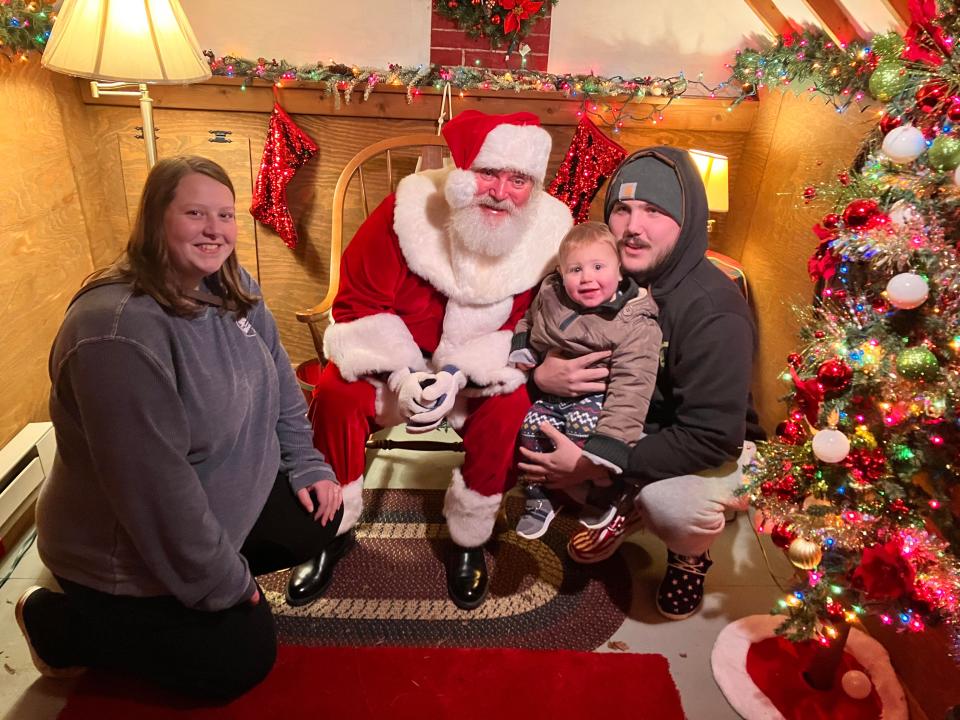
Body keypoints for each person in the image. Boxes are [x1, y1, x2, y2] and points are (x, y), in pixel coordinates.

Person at [15, 156, 344, 701]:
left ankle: (187, 589)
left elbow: (281, 379)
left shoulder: (233, 284)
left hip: (216, 501)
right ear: (154, 220)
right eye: (196, 213)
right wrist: (228, 585)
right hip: (124, 547)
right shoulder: (117, 335)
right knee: (238, 659)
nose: (215, 229)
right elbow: (157, 494)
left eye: (225, 214)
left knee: (321, 518)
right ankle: (58, 622)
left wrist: (308, 463)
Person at [304, 110, 573, 610]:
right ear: (464, 172)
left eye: (518, 180)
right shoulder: (406, 209)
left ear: (532, 188)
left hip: (472, 373)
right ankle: (330, 527)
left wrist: (455, 375)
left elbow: (527, 327)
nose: (500, 192)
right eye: (489, 173)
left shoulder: (548, 235)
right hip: (394, 365)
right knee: (336, 393)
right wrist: (404, 374)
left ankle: (470, 538)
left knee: (510, 408)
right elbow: (359, 303)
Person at [518, 146, 765, 620]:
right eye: (623, 209)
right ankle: (621, 502)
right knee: (524, 432)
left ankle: (687, 552)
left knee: (670, 504)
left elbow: (712, 435)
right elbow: (540, 335)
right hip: (622, 424)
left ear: (687, 219)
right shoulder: (595, 279)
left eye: (655, 211)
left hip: (706, 447)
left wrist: (597, 464)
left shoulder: (713, 309)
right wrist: (539, 375)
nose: (634, 226)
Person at [508, 221, 660, 540]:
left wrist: (611, 446)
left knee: (584, 427)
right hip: (552, 395)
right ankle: (540, 498)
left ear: (619, 272)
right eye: (576, 269)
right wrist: (522, 351)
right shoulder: (551, 296)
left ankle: (602, 494)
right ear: (561, 275)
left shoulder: (634, 320)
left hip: (598, 398)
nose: (587, 277)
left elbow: (632, 387)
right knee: (531, 426)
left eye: (598, 266)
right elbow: (529, 320)